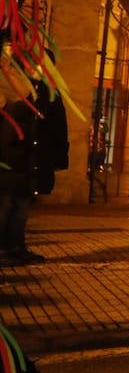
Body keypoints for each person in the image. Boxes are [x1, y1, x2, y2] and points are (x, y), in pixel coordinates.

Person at [0, 41, 70, 265]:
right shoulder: (15, 87)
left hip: (32, 160)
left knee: (21, 206)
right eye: (36, 65)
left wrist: (58, 159)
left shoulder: (51, 94)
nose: (39, 69)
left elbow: (58, 128)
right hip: (9, 156)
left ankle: (16, 247)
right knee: (4, 204)